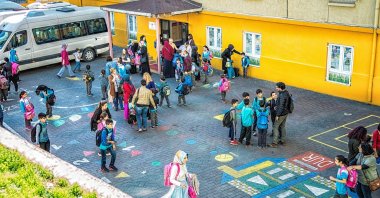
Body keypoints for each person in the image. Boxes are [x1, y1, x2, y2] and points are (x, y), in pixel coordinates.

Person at [270, 82, 291, 148]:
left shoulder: (282, 95)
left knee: (275, 126)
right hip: (286, 112)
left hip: (281, 114)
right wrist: (277, 105)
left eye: (277, 87)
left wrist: (277, 115)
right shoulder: (286, 92)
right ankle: (282, 140)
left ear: (280, 88)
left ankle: (274, 143)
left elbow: (282, 106)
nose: (276, 88)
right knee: (282, 126)